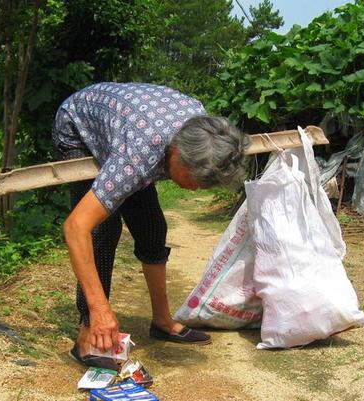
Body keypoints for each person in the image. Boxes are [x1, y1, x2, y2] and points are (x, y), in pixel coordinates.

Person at [52, 82, 248, 368]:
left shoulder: (201, 130)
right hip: (77, 125)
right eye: (193, 180)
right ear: (177, 155)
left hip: (132, 130)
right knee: (102, 231)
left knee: (152, 229)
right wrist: (100, 309)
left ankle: (162, 320)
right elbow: (76, 227)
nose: (193, 190)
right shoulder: (136, 156)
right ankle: (86, 332)